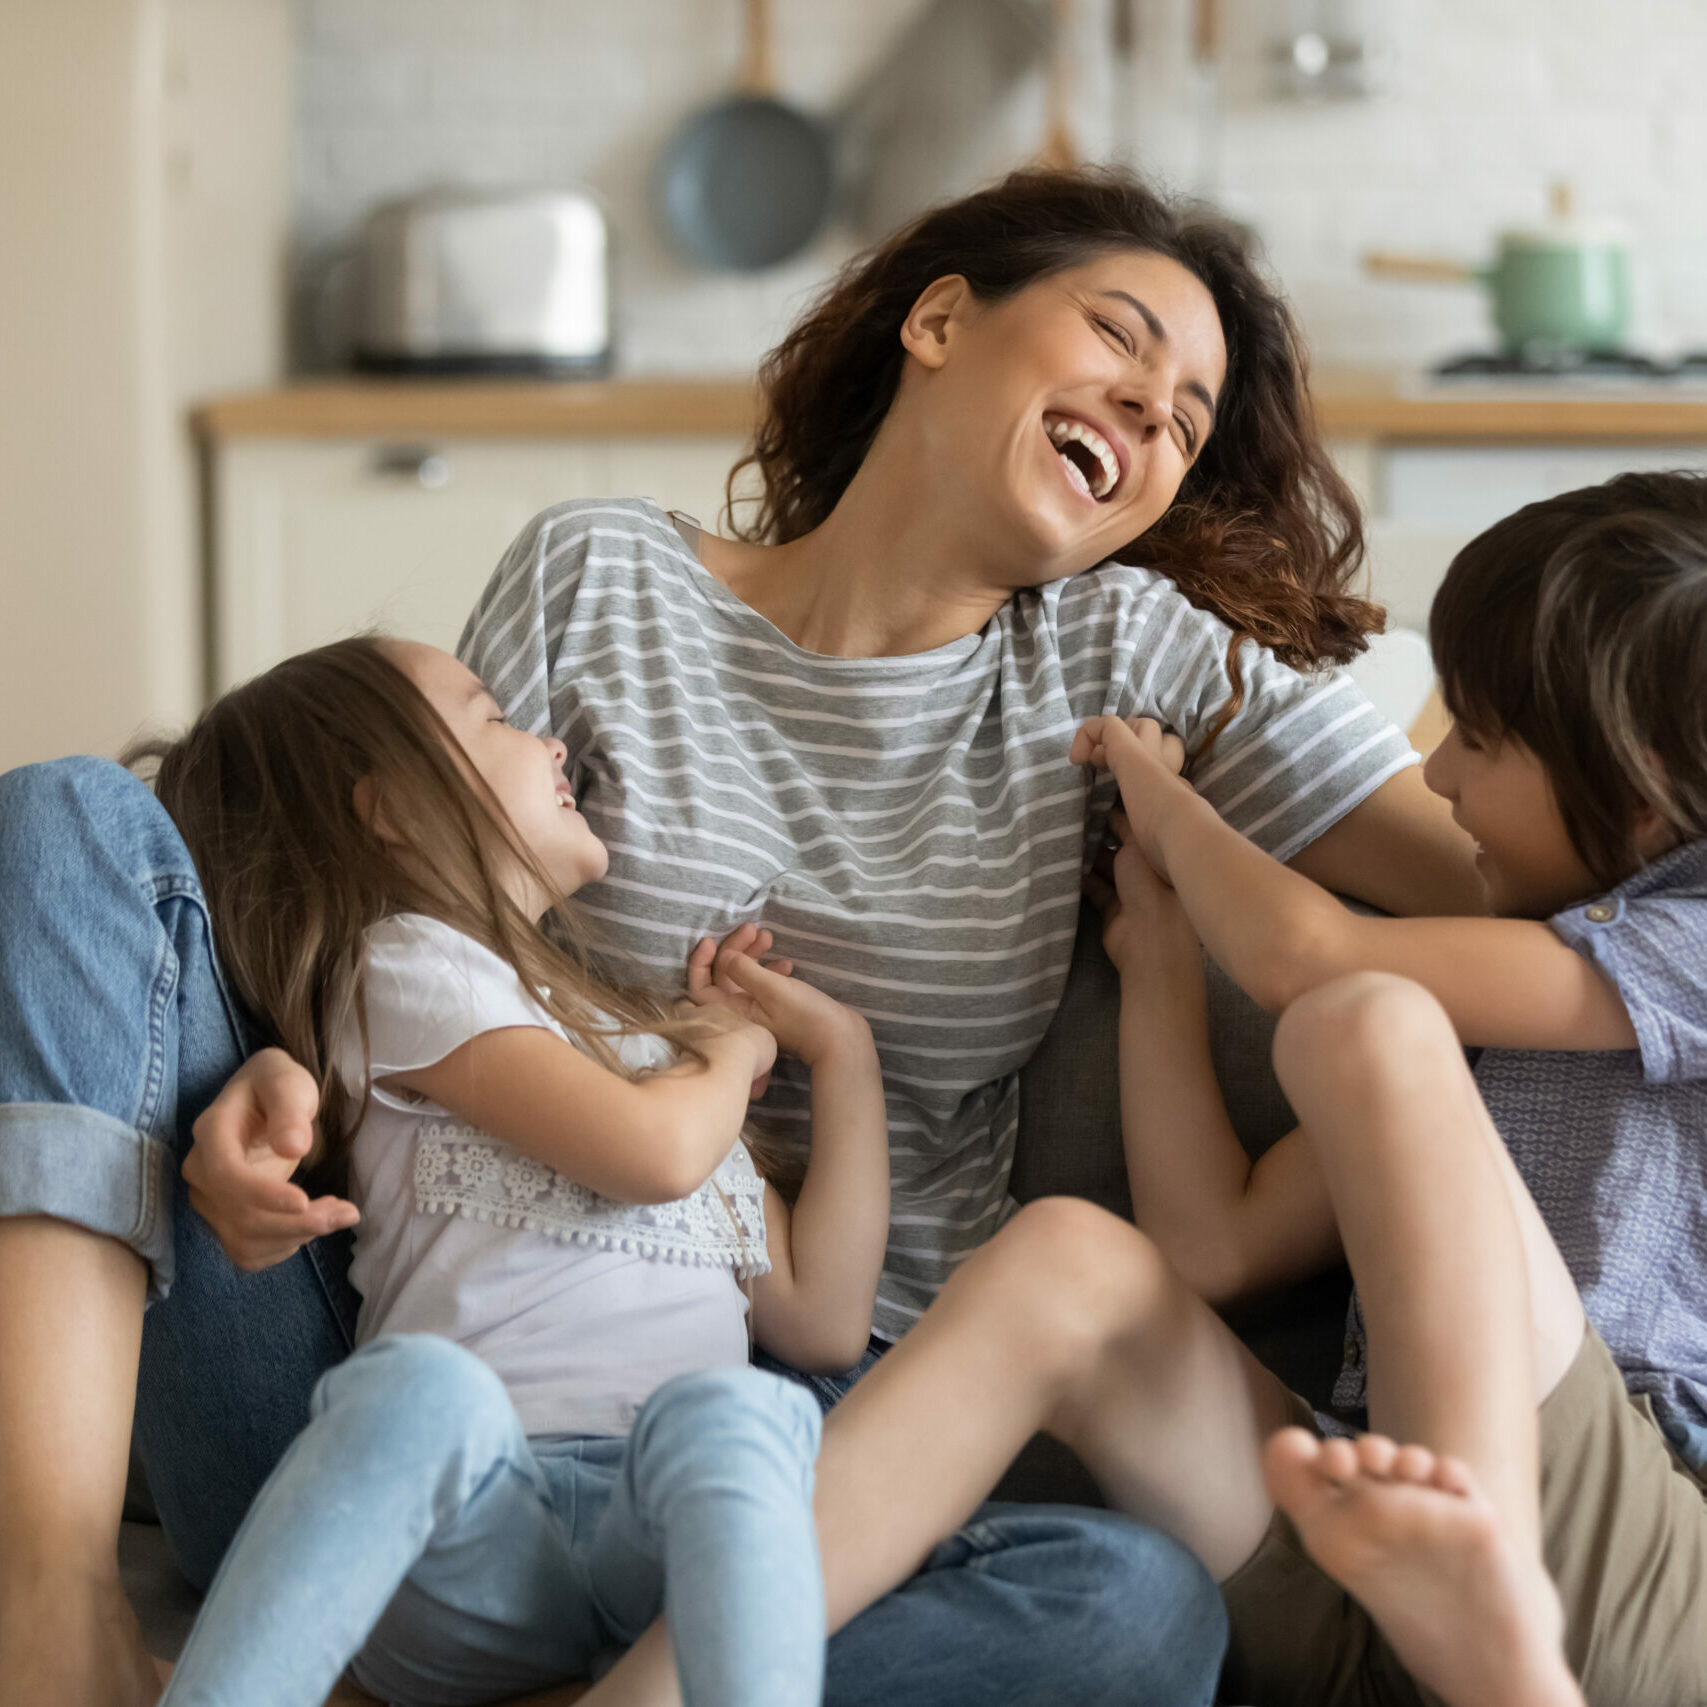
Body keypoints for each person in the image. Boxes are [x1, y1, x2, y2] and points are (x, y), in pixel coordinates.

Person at [0, 167, 1478, 1707]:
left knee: (1129, 1606)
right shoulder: (601, 578)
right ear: (938, 319)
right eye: (1118, 337)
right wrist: (284, 1075)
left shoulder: (1128, 653)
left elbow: (1484, 865)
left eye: (1184, 420)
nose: (1150, 417)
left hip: (821, 1443)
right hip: (408, 1398)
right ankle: (52, 1631)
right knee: (65, 818)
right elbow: (408, 881)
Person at [1051, 470, 1707, 1706]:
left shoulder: (1682, 949)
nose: (1442, 778)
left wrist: (1162, 793)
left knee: (1365, 1022)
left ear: (1639, 786)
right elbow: (1215, 1244)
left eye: (1482, 737)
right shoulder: (1480, 1023)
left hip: (1640, 1565)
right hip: (1373, 1568)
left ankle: (1482, 1576)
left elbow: (1316, 963)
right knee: (1064, 1271)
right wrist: (1159, 970)